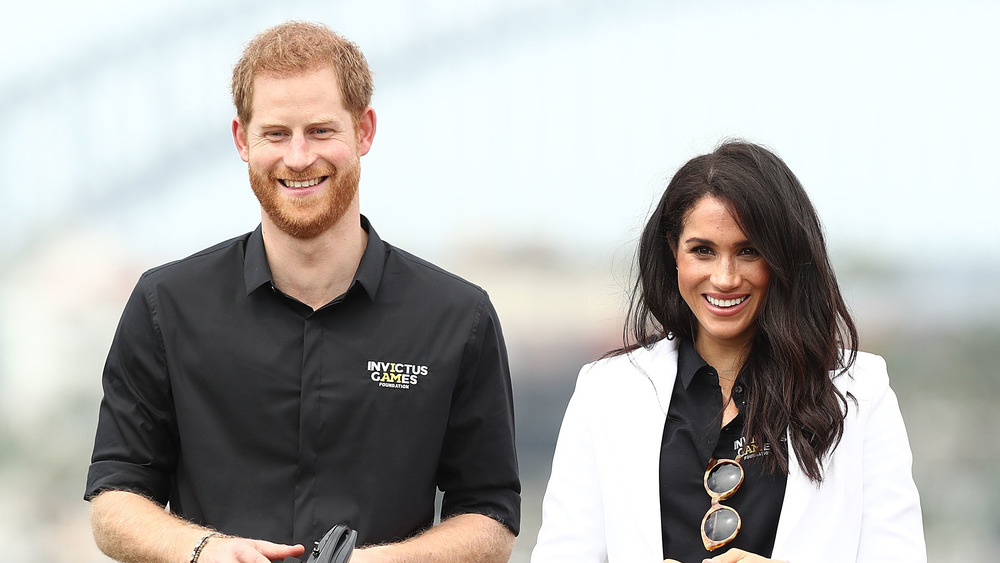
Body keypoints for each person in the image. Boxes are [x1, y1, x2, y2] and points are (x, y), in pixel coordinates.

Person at [85, 21, 520, 563]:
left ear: (364, 131)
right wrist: (203, 551)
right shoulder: (164, 305)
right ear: (242, 139)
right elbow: (114, 498)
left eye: (320, 131)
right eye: (275, 134)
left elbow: (491, 514)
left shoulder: (459, 317)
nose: (297, 158)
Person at [530, 141, 925, 563]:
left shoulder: (860, 392)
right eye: (703, 250)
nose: (724, 277)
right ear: (672, 251)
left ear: (785, 258)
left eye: (748, 251)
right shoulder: (605, 391)